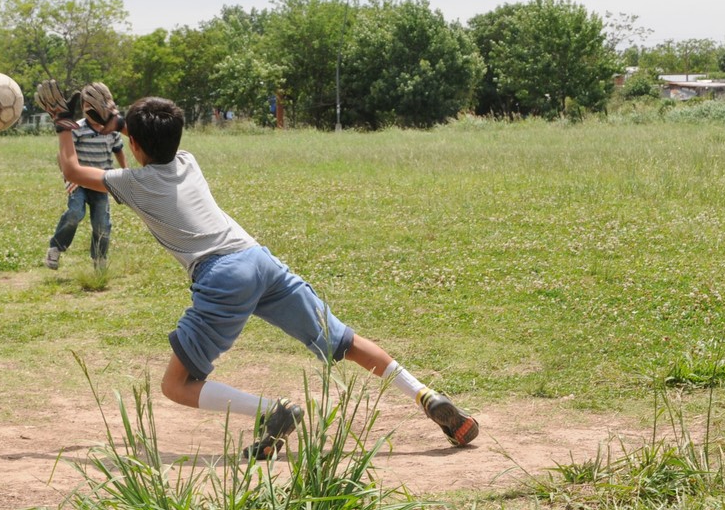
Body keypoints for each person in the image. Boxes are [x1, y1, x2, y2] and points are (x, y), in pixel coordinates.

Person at [45, 89, 479, 459]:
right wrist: (114, 121)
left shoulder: (134, 183)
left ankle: (274, 409)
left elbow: (72, 171)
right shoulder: (189, 161)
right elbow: (151, 137)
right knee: (343, 341)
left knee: (176, 384)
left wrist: (66, 125)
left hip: (221, 275)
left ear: (134, 144)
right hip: (259, 259)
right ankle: (425, 395)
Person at [44, 82, 127, 270]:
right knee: (75, 213)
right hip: (79, 182)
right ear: (82, 109)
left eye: (97, 106)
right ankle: (55, 248)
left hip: (102, 182)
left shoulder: (112, 130)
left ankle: (99, 260)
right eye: (88, 107)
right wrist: (68, 179)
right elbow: (63, 155)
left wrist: (125, 174)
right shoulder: (76, 128)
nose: (93, 111)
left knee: (102, 224)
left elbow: (119, 151)